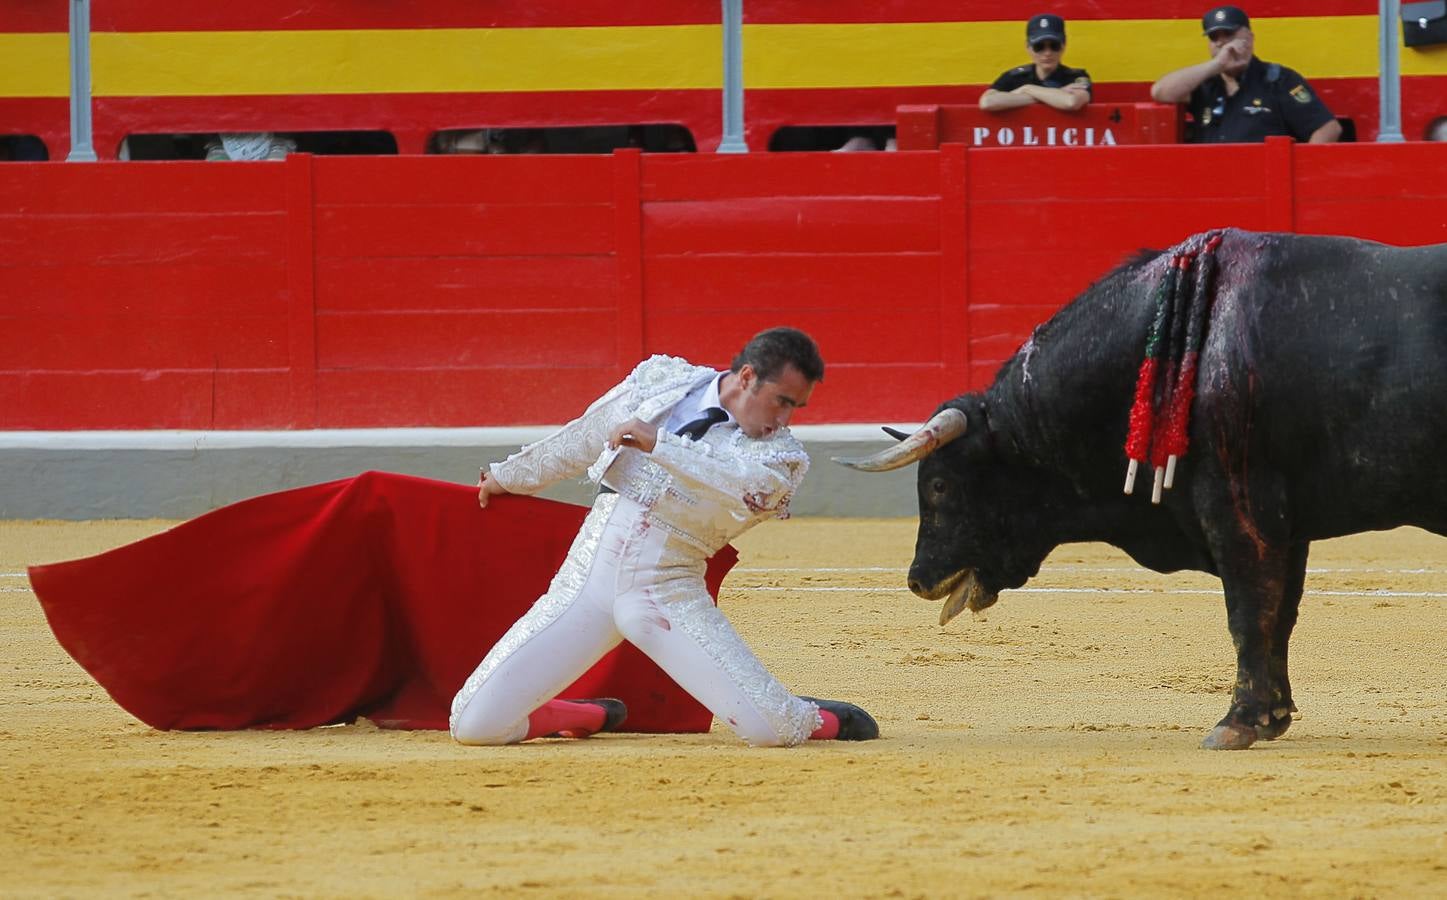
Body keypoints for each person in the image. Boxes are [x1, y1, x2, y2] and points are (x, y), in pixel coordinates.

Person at [450, 327, 880, 747]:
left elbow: (744, 487)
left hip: (666, 598)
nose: (783, 420)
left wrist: (661, 444)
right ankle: (584, 714)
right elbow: (584, 435)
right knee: (473, 725)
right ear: (747, 377)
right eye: (781, 401)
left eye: (796, 407)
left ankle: (814, 716)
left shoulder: (779, 458)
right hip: (585, 587)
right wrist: (509, 477)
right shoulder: (663, 381)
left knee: (772, 732)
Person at [1150, 5, 1341, 144]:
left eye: (1229, 34)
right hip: (1214, 185)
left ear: (1249, 38)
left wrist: (1298, 176)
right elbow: (1161, 92)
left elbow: (1327, 129)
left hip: (1265, 188)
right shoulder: (1205, 83)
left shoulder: (1279, 80)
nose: (1222, 43)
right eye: (1214, 38)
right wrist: (1216, 65)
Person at [979, 14, 1092, 113]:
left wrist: (1026, 90)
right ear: (1028, 47)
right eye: (1039, 47)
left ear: (1063, 46)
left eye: (1054, 46)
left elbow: (1071, 102)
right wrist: (1057, 93)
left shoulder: (1075, 77)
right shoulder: (1014, 77)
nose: (1047, 53)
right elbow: (987, 102)